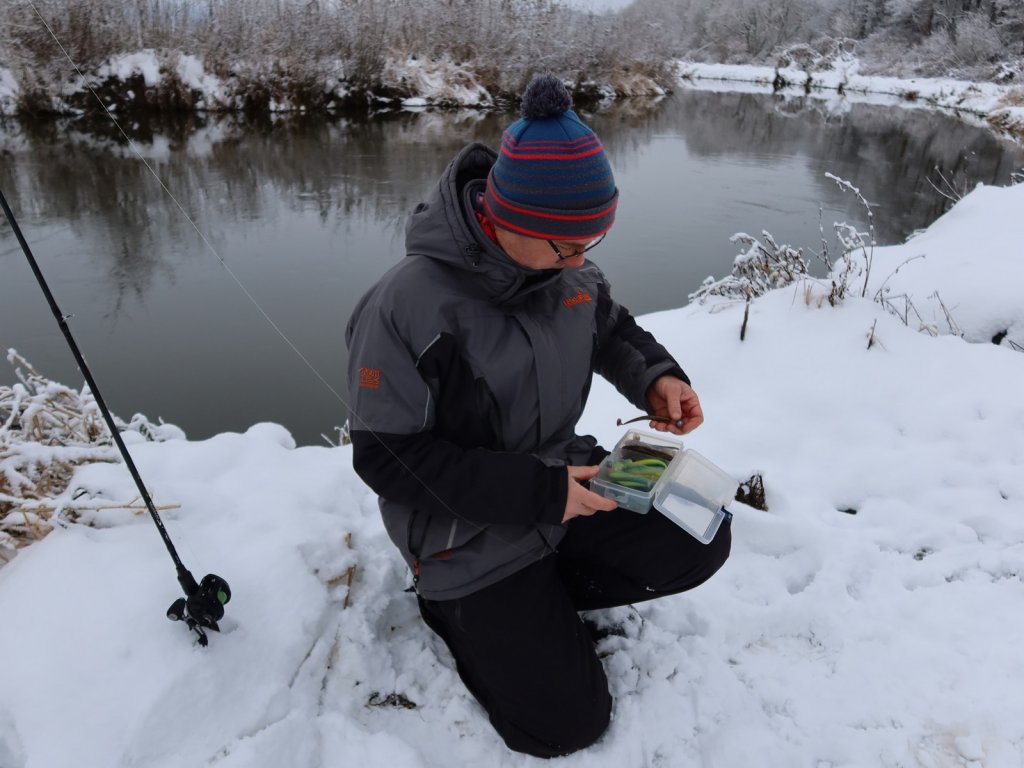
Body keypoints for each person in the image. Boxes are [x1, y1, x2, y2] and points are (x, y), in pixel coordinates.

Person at [345, 73, 731, 758]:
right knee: (566, 728)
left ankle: (541, 600)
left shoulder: (569, 271)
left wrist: (658, 378)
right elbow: (386, 458)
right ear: (503, 217)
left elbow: (609, 328)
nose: (581, 262)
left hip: (570, 480)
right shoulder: (406, 307)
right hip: (465, 536)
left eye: (593, 243)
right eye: (566, 246)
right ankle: (458, 612)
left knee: (705, 530)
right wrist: (542, 493)